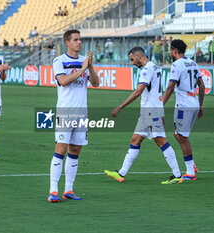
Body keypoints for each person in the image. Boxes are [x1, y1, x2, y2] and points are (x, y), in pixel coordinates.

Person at [104, 47, 182, 185]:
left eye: (132, 59)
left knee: (161, 141)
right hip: (151, 111)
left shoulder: (147, 69)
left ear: (139, 56)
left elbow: (138, 91)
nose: (132, 63)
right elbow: (157, 93)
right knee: (135, 140)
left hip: (150, 112)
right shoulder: (155, 67)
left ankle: (177, 175)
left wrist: (120, 106)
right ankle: (121, 173)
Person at [48, 29, 99, 203]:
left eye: (80, 39)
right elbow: (62, 81)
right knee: (61, 150)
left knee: (75, 150)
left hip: (82, 112)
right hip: (65, 112)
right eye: (76, 40)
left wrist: (90, 66)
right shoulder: (59, 60)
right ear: (67, 43)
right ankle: (53, 190)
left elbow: (96, 83)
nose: (79, 42)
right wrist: (81, 69)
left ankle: (68, 189)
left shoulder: (85, 60)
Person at [163, 39, 205, 182]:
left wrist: (160, 105)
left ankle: (190, 171)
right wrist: (200, 105)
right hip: (193, 102)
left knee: (181, 137)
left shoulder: (176, 65)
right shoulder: (193, 63)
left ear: (174, 51)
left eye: (170, 50)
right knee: (179, 135)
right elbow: (202, 85)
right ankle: (191, 165)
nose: (170, 53)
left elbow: (170, 87)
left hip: (184, 105)